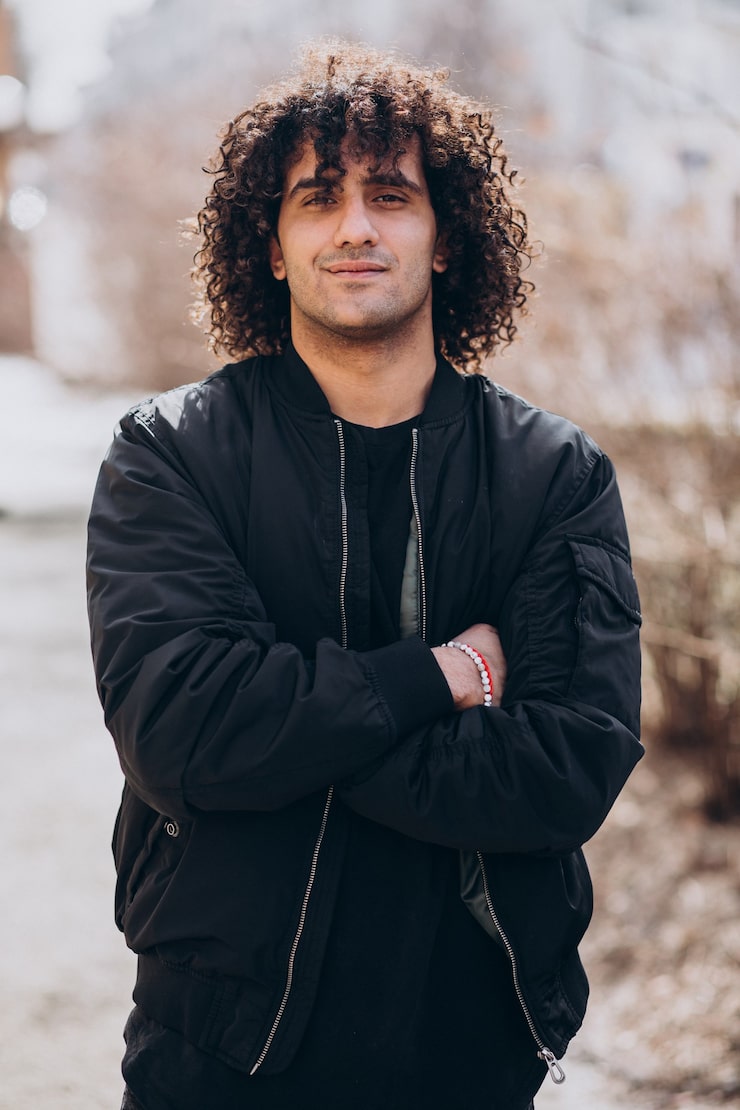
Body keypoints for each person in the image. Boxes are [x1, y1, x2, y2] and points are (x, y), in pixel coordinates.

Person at [86, 40, 643, 1110]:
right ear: (271, 246)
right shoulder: (173, 454)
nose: (355, 228)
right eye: (317, 199)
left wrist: (285, 735)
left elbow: (568, 768)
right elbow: (178, 729)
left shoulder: (550, 475)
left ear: (446, 237)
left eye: (390, 195)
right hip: (219, 1045)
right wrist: (440, 679)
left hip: (470, 1045)